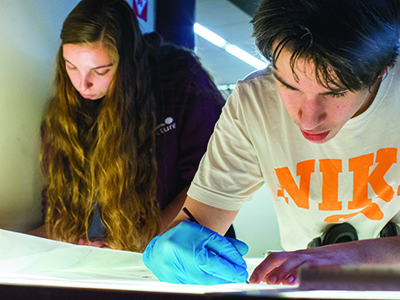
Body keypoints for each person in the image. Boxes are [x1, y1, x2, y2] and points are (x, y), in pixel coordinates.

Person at [143, 0, 400, 285]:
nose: (308, 119)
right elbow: (199, 222)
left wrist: (344, 257)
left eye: (336, 92)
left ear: (381, 70)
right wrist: (173, 245)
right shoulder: (254, 102)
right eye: (289, 86)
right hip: (305, 287)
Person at [28, 0, 226, 252]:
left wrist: (146, 243)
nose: (82, 84)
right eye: (71, 67)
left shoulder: (180, 79)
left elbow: (212, 177)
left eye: (100, 71)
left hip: (181, 247)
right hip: (109, 253)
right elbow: (57, 213)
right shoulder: (65, 108)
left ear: (128, 63)